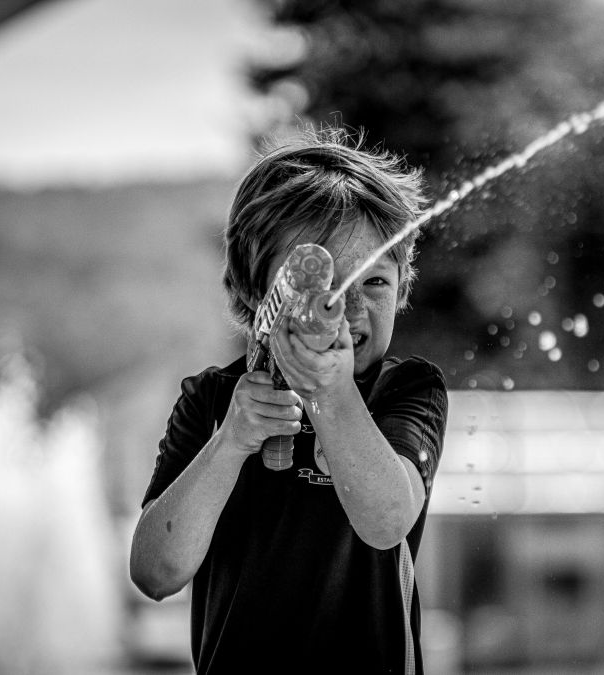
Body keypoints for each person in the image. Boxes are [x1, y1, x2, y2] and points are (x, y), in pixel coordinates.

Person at [129, 126, 448, 674]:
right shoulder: (211, 401)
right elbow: (156, 575)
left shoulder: (406, 389)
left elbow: (387, 519)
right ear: (258, 291)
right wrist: (230, 442)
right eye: (319, 283)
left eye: (374, 283)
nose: (345, 307)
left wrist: (332, 393)